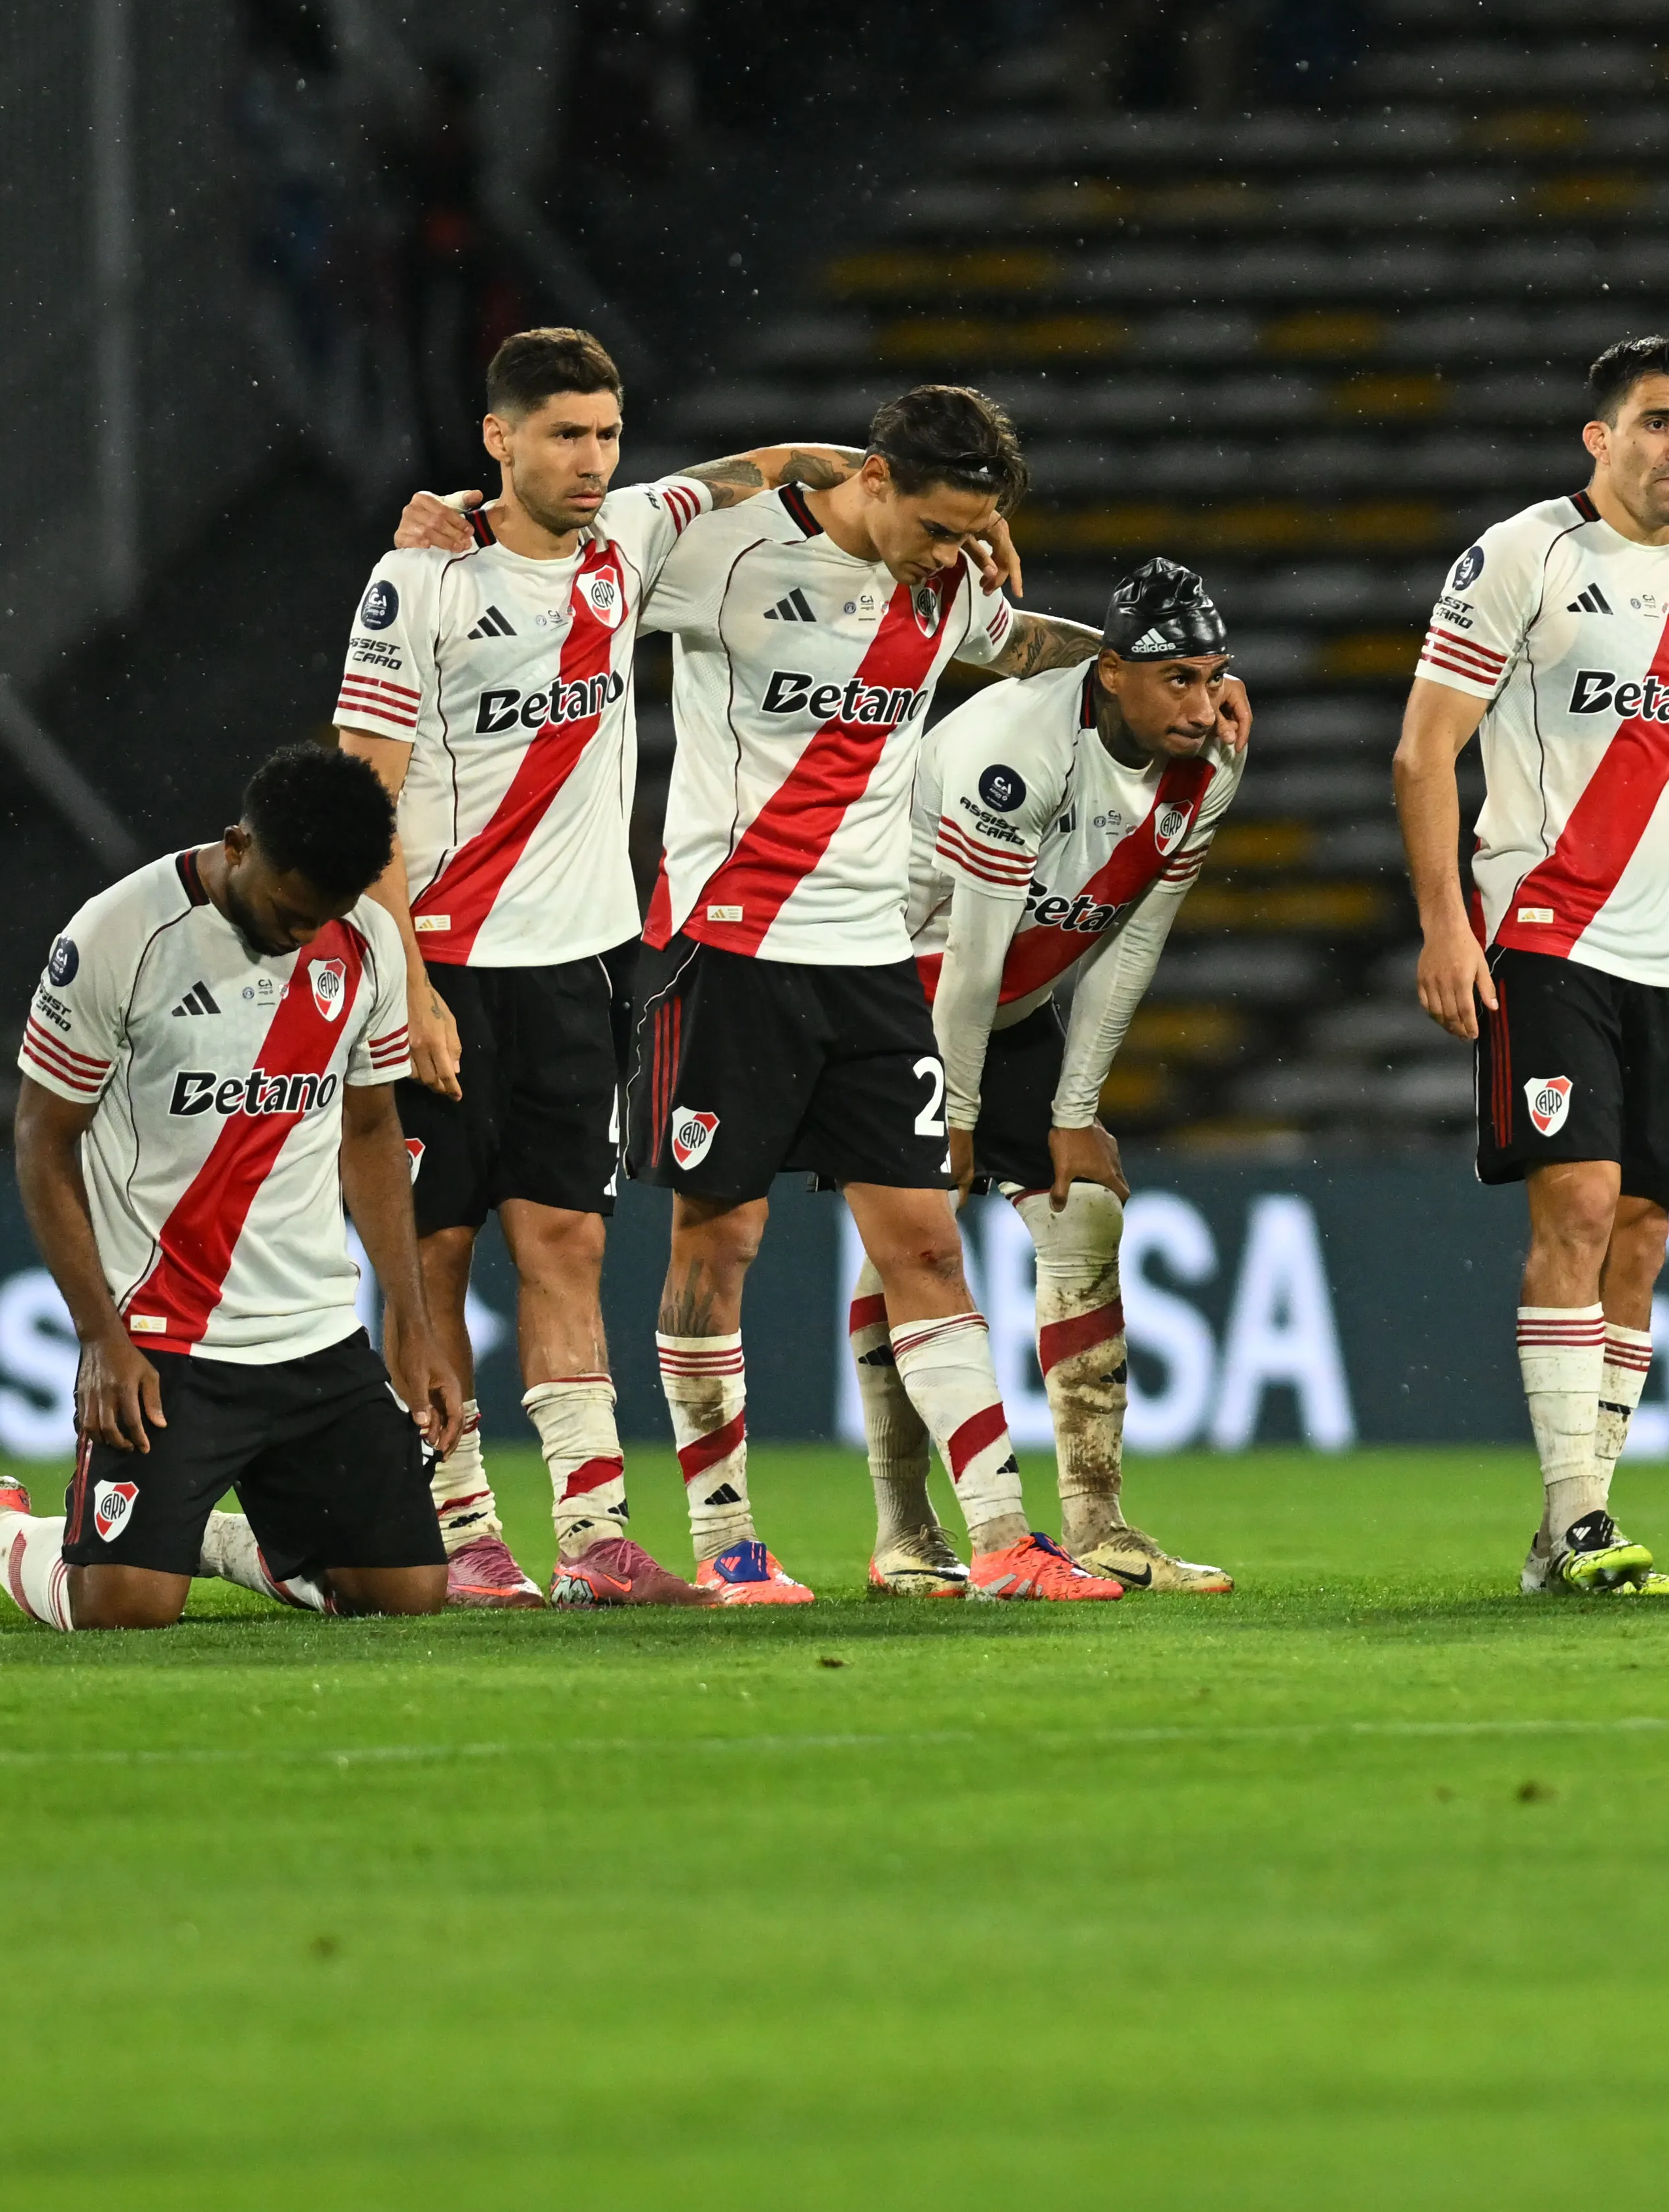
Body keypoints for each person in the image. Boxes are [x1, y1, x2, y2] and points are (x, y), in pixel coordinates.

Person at [408, 384, 1184, 1605]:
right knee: (720, 1246)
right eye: (934, 526)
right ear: (872, 479)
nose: (951, 555)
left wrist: (1144, 675)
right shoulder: (721, 553)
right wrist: (451, 518)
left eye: (968, 534)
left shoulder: (952, 578)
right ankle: (727, 1544)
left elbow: (1016, 643)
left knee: (927, 1242)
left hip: (871, 957)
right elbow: (561, 555)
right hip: (725, 950)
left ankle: (1000, 1539)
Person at [330, 326, 873, 1610]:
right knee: (437, 1259)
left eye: (606, 434)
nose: (590, 460)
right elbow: (362, 800)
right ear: (496, 440)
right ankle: (460, 1524)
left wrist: (950, 510)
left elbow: (784, 463)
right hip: (441, 963)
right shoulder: (418, 585)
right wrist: (404, 985)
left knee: (566, 1243)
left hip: (577, 965)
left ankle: (592, 1532)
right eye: (563, 434)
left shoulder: (636, 532)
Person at [1395, 336, 1669, 1598]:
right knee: (1579, 1205)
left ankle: (1569, 1529)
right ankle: (1580, 1516)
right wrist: (1443, 921)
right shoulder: (1522, 556)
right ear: (1600, 438)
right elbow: (1428, 751)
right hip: (1548, 935)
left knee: (1643, 1232)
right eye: (1656, 424)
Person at [0, 745, 466, 1633]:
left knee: (407, 1595)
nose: (304, 935)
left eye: (324, 918)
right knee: (123, 1609)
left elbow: (372, 1131)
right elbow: (42, 1137)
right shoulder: (121, 935)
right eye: (289, 910)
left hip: (312, 1335)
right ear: (239, 844)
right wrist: (100, 1336)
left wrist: (412, 1323)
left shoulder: (367, 941)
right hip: (164, 1339)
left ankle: (207, 1539)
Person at [856, 556, 1248, 1598]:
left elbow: (1131, 936)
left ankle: (1101, 1523)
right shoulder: (1013, 749)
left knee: (1085, 1218)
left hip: (1011, 998)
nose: (1203, 705)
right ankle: (907, 1530)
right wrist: (962, 1110)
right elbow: (971, 954)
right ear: (1111, 671)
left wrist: (1077, 1111)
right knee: (916, 1235)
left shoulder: (1214, 757)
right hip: (897, 990)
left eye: (1216, 677)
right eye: (1179, 680)